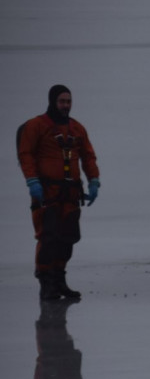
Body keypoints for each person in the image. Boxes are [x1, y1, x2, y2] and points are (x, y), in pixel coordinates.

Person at [17, 85, 101, 300]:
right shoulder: (36, 126)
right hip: (46, 192)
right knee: (48, 237)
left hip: (71, 193)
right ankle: (46, 283)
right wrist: (32, 181)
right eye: (62, 101)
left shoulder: (77, 129)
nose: (65, 105)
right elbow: (25, 154)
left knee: (68, 238)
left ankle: (59, 280)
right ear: (53, 101)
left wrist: (94, 180)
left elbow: (88, 156)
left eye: (68, 101)